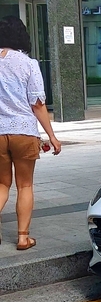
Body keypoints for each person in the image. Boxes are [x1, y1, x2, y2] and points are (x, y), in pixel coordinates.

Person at [0, 16, 61, 251]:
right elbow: (37, 104)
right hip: (23, 132)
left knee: (2, 184)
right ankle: (23, 237)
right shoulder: (28, 64)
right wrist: (52, 136)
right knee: (24, 186)